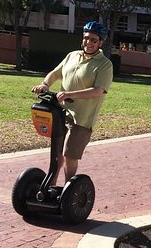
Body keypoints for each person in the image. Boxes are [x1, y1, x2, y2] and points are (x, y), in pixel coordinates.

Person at [31, 21, 113, 184]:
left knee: (70, 155)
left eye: (93, 40)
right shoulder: (72, 56)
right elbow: (55, 73)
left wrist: (69, 94)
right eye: (86, 38)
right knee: (57, 154)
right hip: (61, 113)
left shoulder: (104, 64)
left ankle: (68, 191)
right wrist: (45, 84)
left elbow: (98, 91)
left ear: (100, 42)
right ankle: (51, 185)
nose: (88, 43)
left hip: (81, 119)